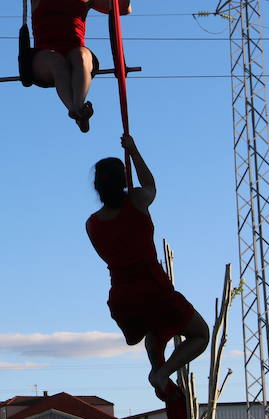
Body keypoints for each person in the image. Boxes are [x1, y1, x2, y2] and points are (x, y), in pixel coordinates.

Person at [85, 134, 209, 400]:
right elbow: (151, 184)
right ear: (123, 183)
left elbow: (108, 255)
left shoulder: (92, 223)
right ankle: (161, 374)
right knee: (200, 334)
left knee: (156, 330)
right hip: (153, 287)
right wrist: (133, 150)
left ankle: (157, 370)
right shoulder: (137, 202)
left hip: (122, 296)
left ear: (97, 188)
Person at [0, 0, 132, 133]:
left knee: (81, 54)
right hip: (44, 56)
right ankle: (76, 110)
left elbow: (123, 8)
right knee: (57, 61)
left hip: (76, 54)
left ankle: (78, 109)